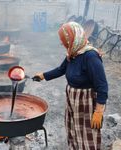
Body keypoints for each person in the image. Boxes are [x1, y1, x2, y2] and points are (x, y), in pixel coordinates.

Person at [33, 22, 108, 150]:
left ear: (72, 38)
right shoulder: (73, 53)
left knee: (86, 134)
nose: (62, 43)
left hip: (86, 102)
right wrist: (43, 76)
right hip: (72, 100)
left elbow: (102, 86)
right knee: (73, 129)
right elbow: (61, 69)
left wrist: (99, 111)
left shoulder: (90, 56)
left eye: (63, 40)